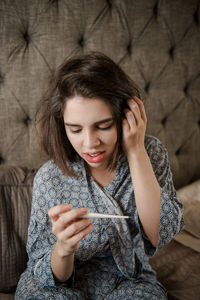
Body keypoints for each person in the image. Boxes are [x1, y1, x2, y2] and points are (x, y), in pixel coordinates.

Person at [15, 52, 184, 300]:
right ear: (62, 126)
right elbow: (48, 273)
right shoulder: (49, 178)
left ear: (124, 115)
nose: (90, 143)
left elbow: (160, 234)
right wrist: (64, 248)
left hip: (127, 281)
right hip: (56, 285)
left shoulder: (150, 154)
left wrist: (136, 151)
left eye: (103, 125)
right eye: (75, 129)